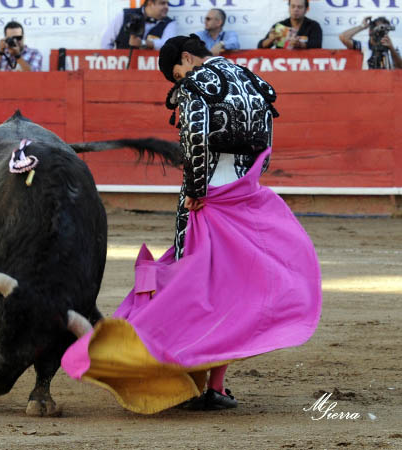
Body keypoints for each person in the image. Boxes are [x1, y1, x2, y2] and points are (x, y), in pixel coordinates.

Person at [61, 35, 322, 415]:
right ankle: (214, 385)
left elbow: (195, 140)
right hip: (243, 195)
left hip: (207, 199)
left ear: (186, 58)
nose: (179, 81)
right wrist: (243, 186)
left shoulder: (195, 85)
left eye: (177, 74)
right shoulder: (253, 81)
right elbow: (265, 146)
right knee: (233, 290)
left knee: (195, 287)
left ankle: (181, 373)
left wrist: (197, 191)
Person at [100, 0, 177, 50]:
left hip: (150, 68)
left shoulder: (170, 23)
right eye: (162, 3)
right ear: (150, 3)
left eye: (167, 4)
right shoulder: (125, 15)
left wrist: (143, 43)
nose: (167, 7)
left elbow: (167, 45)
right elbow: (106, 41)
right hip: (122, 65)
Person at [258, 0, 322, 49]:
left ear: (306, 9)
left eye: (299, 7)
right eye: (293, 6)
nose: (295, 10)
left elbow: (317, 45)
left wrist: (300, 44)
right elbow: (260, 46)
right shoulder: (280, 25)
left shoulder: (313, 26)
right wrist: (270, 40)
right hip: (283, 61)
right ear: (289, 8)